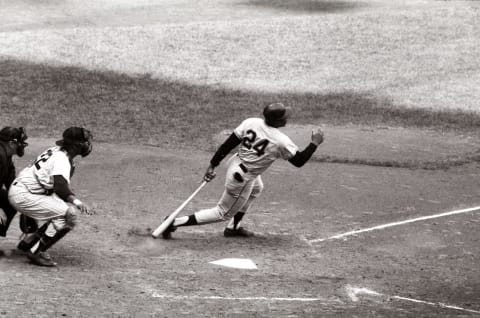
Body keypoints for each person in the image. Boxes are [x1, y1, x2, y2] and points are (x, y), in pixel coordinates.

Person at [162, 102, 324, 239]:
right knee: (222, 213)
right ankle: (172, 222)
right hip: (243, 177)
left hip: (236, 163)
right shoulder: (280, 141)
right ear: (278, 121)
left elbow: (229, 144)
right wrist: (314, 143)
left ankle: (234, 227)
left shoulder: (251, 122)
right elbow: (299, 161)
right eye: (285, 117)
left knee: (256, 189)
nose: (287, 118)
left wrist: (213, 164)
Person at [8, 127, 94, 267]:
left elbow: (55, 188)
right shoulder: (62, 160)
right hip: (25, 195)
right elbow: (60, 187)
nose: (87, 144)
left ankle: (30, 242)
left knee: (61, 208)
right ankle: (36, 252)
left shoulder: (57, 151)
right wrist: (78, 203)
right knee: (69, 215)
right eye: (85, 141)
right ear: (76, 144)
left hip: (26, 191)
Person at [0, 127, 29, 237]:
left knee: (11, 202)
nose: (21, 146)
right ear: (12, 143)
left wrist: (24, 206)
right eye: (20, 143)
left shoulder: (7, 156)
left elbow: (11, 184)